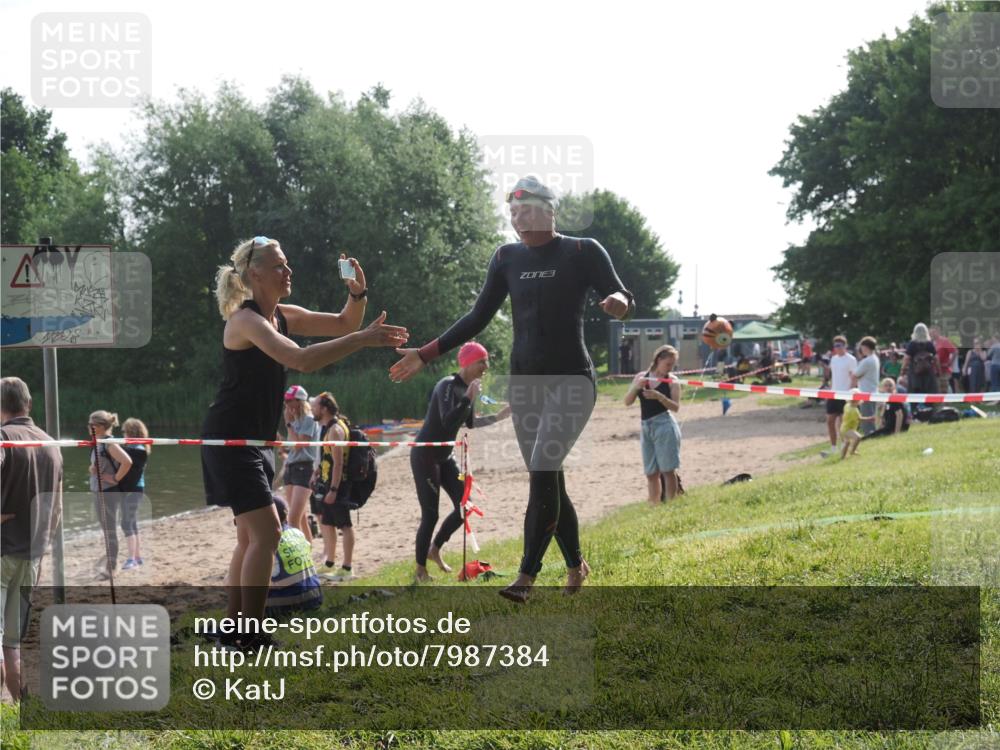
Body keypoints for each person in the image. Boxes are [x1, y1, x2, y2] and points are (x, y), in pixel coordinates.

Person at [389, 175, 635, 603]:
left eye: (524, 210)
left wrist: (620, 303)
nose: (516, 218)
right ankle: (576, 564)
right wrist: (426, 354)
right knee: (548, 477)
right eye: (512, 212)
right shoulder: (506, 257)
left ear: (549, 210)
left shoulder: (582, 250)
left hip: (572, 381)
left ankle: (525, 577)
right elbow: (477, 317)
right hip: (525, 386)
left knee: (543, 466)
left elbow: (623, 295)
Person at [201, 236, 407, 650]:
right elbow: (300, 360)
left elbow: (344, 323)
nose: (288, 270)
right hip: (231, 441)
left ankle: (232, 629)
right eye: (279, 265)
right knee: (267, 534)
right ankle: (249, 633)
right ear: (255, 273)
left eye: (287, 263)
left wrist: (357, 294)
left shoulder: (281, 315)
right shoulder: (245, 321)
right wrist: (361, 340)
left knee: (250, 539)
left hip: (256, 443)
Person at [412, 342, 512, 582]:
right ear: (467, 362)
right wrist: (468, 398)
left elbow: (470, 423)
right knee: (430, 515)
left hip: (445, 457)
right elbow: (447, 420)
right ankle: (420, 570)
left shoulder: (468, 390)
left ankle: (435, 549)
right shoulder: (446, 385)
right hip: (425, 455)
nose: (486, 366)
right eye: (482, 361)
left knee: (464, 506)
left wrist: (500, 416)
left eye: (487, 361)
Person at [1, 377, 62, 702]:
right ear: (29, 403)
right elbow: (57, 508)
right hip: (32, 554)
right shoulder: (51, 443)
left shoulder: (3, 439)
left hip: (2, 551)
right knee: (12, 644)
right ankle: (21, 711)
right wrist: (43, 545)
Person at [624, 345, 682, 504]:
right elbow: (627, 402)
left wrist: (659, 397)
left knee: (668, 470)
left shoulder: (672, 380)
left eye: (673, 365)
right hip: (646, 426)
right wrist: (637, 387)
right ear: (658, 360)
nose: (670, 368)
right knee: (651, 473)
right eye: (668, 364)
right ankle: (653, 505)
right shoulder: (641, 377)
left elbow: (676, 407)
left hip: (665, 425)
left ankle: (671, 503)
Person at [310, 391, 357, 581]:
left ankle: (347, 568)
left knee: (345, 525)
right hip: (327, 481)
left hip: (338, 485)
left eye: (314, 406)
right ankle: (330, 563)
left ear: (324, 409)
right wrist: (317, 472)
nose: (312, 409)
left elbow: (338, 463)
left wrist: (334, 490)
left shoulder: (336, 430)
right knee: (327, 523)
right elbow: (328, 457)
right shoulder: (328, 428)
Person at [87, 411, 133, 579]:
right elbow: (101, 465)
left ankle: (111, 568)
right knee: (107, 529)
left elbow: (127, 461)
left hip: (108, 493)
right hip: (100, 491)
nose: (88, 427)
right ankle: (110, 563)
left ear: (99, 426)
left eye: (91, 424)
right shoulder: (99, 442)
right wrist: (93, 469)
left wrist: (114, 478)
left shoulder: (108, 443)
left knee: (109, 530)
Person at [265, 495, 322, 618]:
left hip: (285, 605)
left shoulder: (266, 541)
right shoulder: (297, 532)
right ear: (286, 515)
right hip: (314, 597)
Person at [282, 385, 320, 543]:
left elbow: (299, 445)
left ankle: (298, 551)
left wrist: (288, 424)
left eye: (289, 400)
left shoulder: (309, 419)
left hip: (304, 468)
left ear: (299, 401)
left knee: (293, 518)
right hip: (291, 467)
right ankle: (308, 548)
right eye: (285, 401)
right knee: (300, 515)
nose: (286, 404)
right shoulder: (296, 420)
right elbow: (291, 446)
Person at [119, 417, 150, 570]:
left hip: (133, 489)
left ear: (131, 432)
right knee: (132, 522)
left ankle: (131, 559)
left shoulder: (137, 449)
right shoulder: (136, 448)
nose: (123, 434)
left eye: (124, 431)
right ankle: (137, 557)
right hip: (136, 488)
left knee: (126, 523)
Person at [820, 336, 857, 458]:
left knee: (843, 423)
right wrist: (830, 389)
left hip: (845, 395)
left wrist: (850, 394)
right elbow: (833, 376)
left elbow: (853, 377)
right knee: (830, 421)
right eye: (835, 346)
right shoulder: (834, 359)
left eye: (839, 345)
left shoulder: (851, 359)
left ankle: (844, 446)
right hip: (833, 394)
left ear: (845, 346)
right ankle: (833, 447)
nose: (837, 348)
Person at [850, 336, 880, 436]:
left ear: (866, 347)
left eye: (862, 347)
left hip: (866, 393)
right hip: (873, 392)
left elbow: (854, 375)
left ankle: (869, 436)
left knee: (867, 421)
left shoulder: (867, 361)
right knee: (871, 418)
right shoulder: (875, 359)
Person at [900, 323, 938, 396]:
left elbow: (906, 358)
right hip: (928, 372)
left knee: (914, 396)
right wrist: (938, 370)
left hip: (914, 373)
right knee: (929, 394)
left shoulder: (912, 344)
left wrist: (902, 370)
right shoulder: (929, 344)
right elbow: (936, 358)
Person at [838, 394, 873, 460]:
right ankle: (852, 451)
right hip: (847, 429)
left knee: (847, 443)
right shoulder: (854, 410)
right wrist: (870, 418)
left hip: (843, 427)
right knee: (858, 437)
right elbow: (860, 419)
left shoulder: (847, 405)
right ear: (858, 401)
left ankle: (842, 457)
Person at [930, 326, 957, 394]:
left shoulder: (944, 341)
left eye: (933, 332)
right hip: (934, 370)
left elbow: (955, 351)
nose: (932, 334)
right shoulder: (931, 342)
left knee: (943, 390)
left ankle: (946, 400)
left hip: (944, 370)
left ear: (938, 332)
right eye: (931, 332)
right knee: (936, 389)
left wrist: (950, 363)